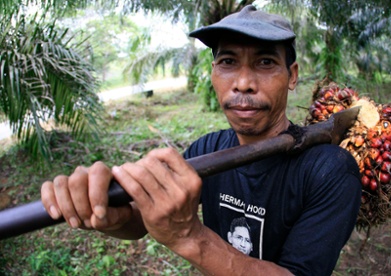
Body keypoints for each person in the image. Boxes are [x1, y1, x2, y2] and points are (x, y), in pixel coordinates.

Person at [41, 5, 361, 275]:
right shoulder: (207, 150)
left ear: (292, 75)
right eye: (228, 62)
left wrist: (190, 237)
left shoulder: (329, 170)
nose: (244, 83)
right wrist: (112, 216)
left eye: (265, 62)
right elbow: (141, 221)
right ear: (212, 74)